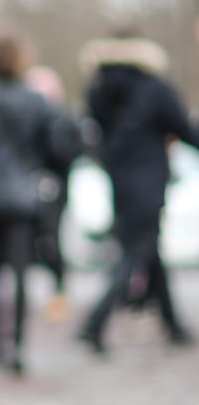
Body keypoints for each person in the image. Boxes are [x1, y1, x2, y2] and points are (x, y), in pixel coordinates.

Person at [0, 31, 79, 374]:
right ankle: (18, 346)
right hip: (24, 195)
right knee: (20, 271)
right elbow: (58, 147)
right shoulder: (37, 101)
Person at [76, 30, 199, 353]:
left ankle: (173, 326)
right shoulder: (154, 87)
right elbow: (183, 128)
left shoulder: (99, 88)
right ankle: (94, 323)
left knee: (147, 250)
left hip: (120, 181)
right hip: (149, 180)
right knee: (134, 254)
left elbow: (91, 133)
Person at [25, 65, 82, 321]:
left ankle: (58, 293)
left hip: (53, 190)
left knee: (51, 243)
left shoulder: (61, 119)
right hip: (30, 189)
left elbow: (68, 153)